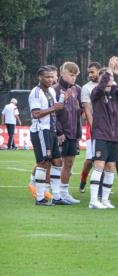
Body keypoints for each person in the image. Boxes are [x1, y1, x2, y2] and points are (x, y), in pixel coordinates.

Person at [88, 57, 118, 209]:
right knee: (99, 166)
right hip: (100, 135)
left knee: (111, 168)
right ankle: (94, 200)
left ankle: (105, 199)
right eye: (106, 78)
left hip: (115, 137)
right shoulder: (96, 93)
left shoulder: (115, 93)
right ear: (100, 80)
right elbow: (101, 87)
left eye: (111, 79)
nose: (109, 81)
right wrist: (109, 69)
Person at [28, 66, 65, 206]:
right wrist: (54, 108)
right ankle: (40, 198)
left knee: (57, 162)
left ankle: (56, 196)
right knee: (43, 163)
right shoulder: (36, 93)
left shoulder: (50, 91)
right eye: (47, 77)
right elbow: (35, 114)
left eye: (51, 77)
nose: (50, 79)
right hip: (41, 131)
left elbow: (54, 111)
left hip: (51, 130)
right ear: (40, 77)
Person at [54, 61, 83, 205]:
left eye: (75, 76)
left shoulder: (77, 89)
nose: (73, 78)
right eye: (71, 75)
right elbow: (54, 114)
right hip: (60, 133)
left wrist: (78, 133)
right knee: (55, 163)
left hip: (73, 133)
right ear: (62, 73)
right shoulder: (55, 89)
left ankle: (64, 192)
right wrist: (59, 131)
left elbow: (78, 112)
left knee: (69, 163)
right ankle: (52, 191)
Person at [79, 62, 101, 193]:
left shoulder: (109, 84)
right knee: (90, 159)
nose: (90, 75)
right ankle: (83, 179)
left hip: (108, 127)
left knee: (105, 159)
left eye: (92, 72)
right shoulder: (86, 88)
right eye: (89, 73)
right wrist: (94, 128)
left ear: (99, 71)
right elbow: (87, 110)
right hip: (92, 127)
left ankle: (101, 187)